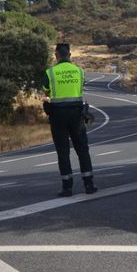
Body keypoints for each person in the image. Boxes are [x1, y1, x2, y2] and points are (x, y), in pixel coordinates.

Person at [43, 43, 97, 196]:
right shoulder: (80, 72)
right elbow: (80, 89)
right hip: (76, 115)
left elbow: (46, 93)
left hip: (58, 116)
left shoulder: (50, 73)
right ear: (70, 55)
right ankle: (89, 184)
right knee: (82, 149)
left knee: (63, 152)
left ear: (56, 55)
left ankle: (67, 187)